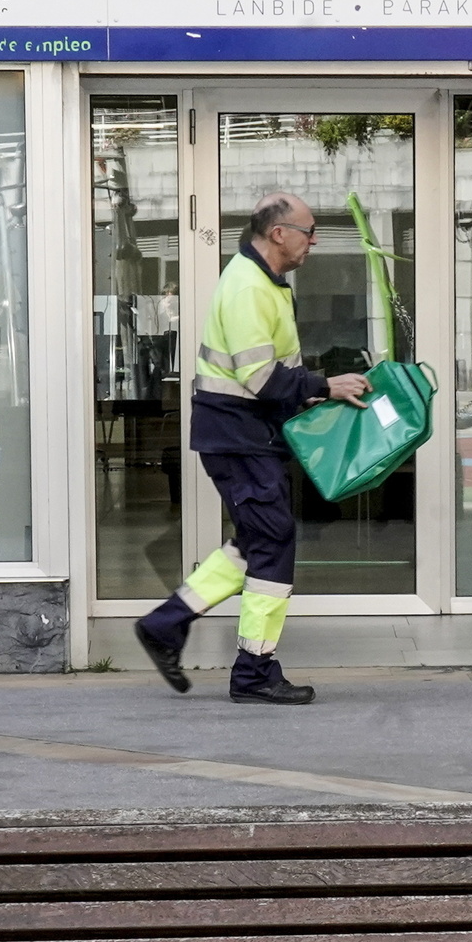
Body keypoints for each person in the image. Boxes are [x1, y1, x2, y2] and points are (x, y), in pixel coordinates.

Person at [133, 193, 367, 706]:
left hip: (245, 435)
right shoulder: (246, 287)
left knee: (259, 539)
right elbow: (259, 377)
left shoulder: (266, 282)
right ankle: (254, 671)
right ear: (279, 233)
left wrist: (313, 391)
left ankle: (166, 625)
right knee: (275, 540)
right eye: (309, 230)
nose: (315, 240)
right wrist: (325, 385)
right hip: (238, 434)